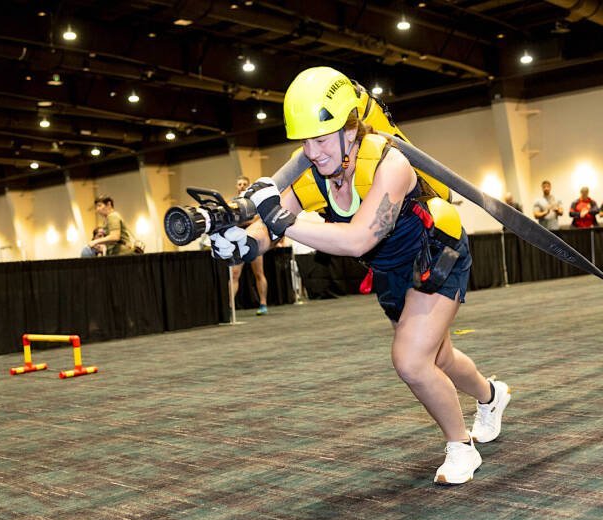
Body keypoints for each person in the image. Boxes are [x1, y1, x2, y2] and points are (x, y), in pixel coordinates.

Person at [212, 66, 510, 486]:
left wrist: (275, 217)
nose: (312, 153)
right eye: (304, 143)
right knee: (437, 358)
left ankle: (461, 446)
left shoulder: (391, 163)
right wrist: (244, 243)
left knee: (410, 360)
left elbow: (356, 239)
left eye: (320, 139)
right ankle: (491, 397)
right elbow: (270, 226)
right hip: (390, 272)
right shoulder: (315, 175)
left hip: (436, 254)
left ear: (350, 130)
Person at [230, 176, 269, 316]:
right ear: (236, 187)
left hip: (254, 240)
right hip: (238, 241)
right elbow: (232, 221)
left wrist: (246, 222)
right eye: (239, 184)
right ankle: (230, 308)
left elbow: (256, 219)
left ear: (249, 186)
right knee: (234, 274)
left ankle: (263, 303)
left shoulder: (255, 202)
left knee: (259, 273)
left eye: (244, 184)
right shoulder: (233, 203)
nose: (241, 186)